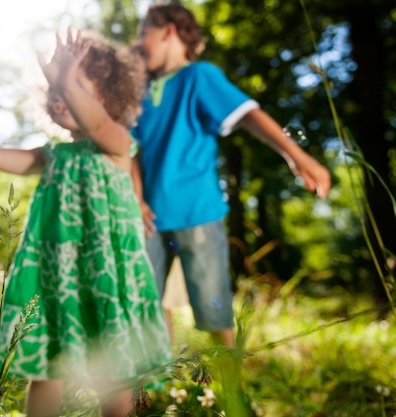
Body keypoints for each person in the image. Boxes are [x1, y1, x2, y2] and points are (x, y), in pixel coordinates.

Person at [0, 29, 171, 417]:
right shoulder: (53, 155)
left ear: (107, 97)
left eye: (72, 83)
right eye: (53, 88)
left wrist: (64, 79)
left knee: (113, 370)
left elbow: (99, 125)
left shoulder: (117, 142)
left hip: (107, 274)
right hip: (58, 275)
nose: (60, 93)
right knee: (47, 365)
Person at [130, 4, 332, 349]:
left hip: (198, 215)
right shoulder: (138, 94)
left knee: (214, 308)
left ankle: (231, 392)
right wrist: (136, 199)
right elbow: (129, 151)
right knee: (145, 307)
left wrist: (295, 156)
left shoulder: (198, 77)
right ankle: (155, 389)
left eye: (143, 33)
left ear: (169, 32)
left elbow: (247, 115)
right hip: (147, 219)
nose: (137, 43)